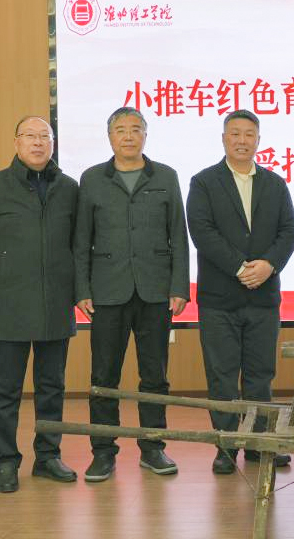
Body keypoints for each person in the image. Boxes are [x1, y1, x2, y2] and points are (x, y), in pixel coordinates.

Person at [0, 115, 79, 493]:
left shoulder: (69, 188)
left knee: (52, 387)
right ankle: (6, 462)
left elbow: (77, 244)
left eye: (45, 136)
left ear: (53, 143)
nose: (38, 142)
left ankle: (48, 456)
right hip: (9, 304)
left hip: (55, 303)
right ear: (16, 142)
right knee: (5, 390)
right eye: (30, 136)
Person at [74, 107, 190, 481]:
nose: (128, 136)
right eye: (120, 130)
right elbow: (81, 239)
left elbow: (179, 235)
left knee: (155, 375)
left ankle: (153, 447)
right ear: (110, 137)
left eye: (135, 129)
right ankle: (103, 451)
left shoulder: (166, 176)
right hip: (107, 292)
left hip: (155, 291)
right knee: (103, 375)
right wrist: (81, 289)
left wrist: (179, 286)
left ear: (145, 135)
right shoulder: (92, 179)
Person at [186, 109, 294, 475]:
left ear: (258, 140)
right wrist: (239, 267)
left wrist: (268, 265)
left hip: (263, 298)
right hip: (219, 299)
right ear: (223, 139)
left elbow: (289, 230)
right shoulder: (204, 182)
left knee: (260, 375)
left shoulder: (275, 183)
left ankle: (258, 444)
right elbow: (202, 231)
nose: (241, 140)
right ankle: (226, 446)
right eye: (234, 133)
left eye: (249, 134)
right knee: (221, 376)